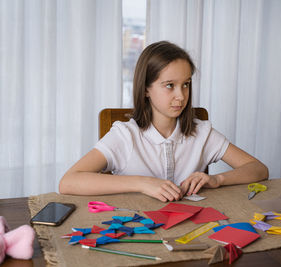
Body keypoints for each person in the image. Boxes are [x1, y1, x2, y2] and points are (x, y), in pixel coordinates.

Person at [59, 41, 269, 202]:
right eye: (170, 85)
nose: (181, 96)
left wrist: (217, 180)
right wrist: (142, 183)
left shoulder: (202, 133)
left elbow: (259, 169)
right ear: (146, 90)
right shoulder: (125, 136)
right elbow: (68, 182)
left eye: (185, 84)